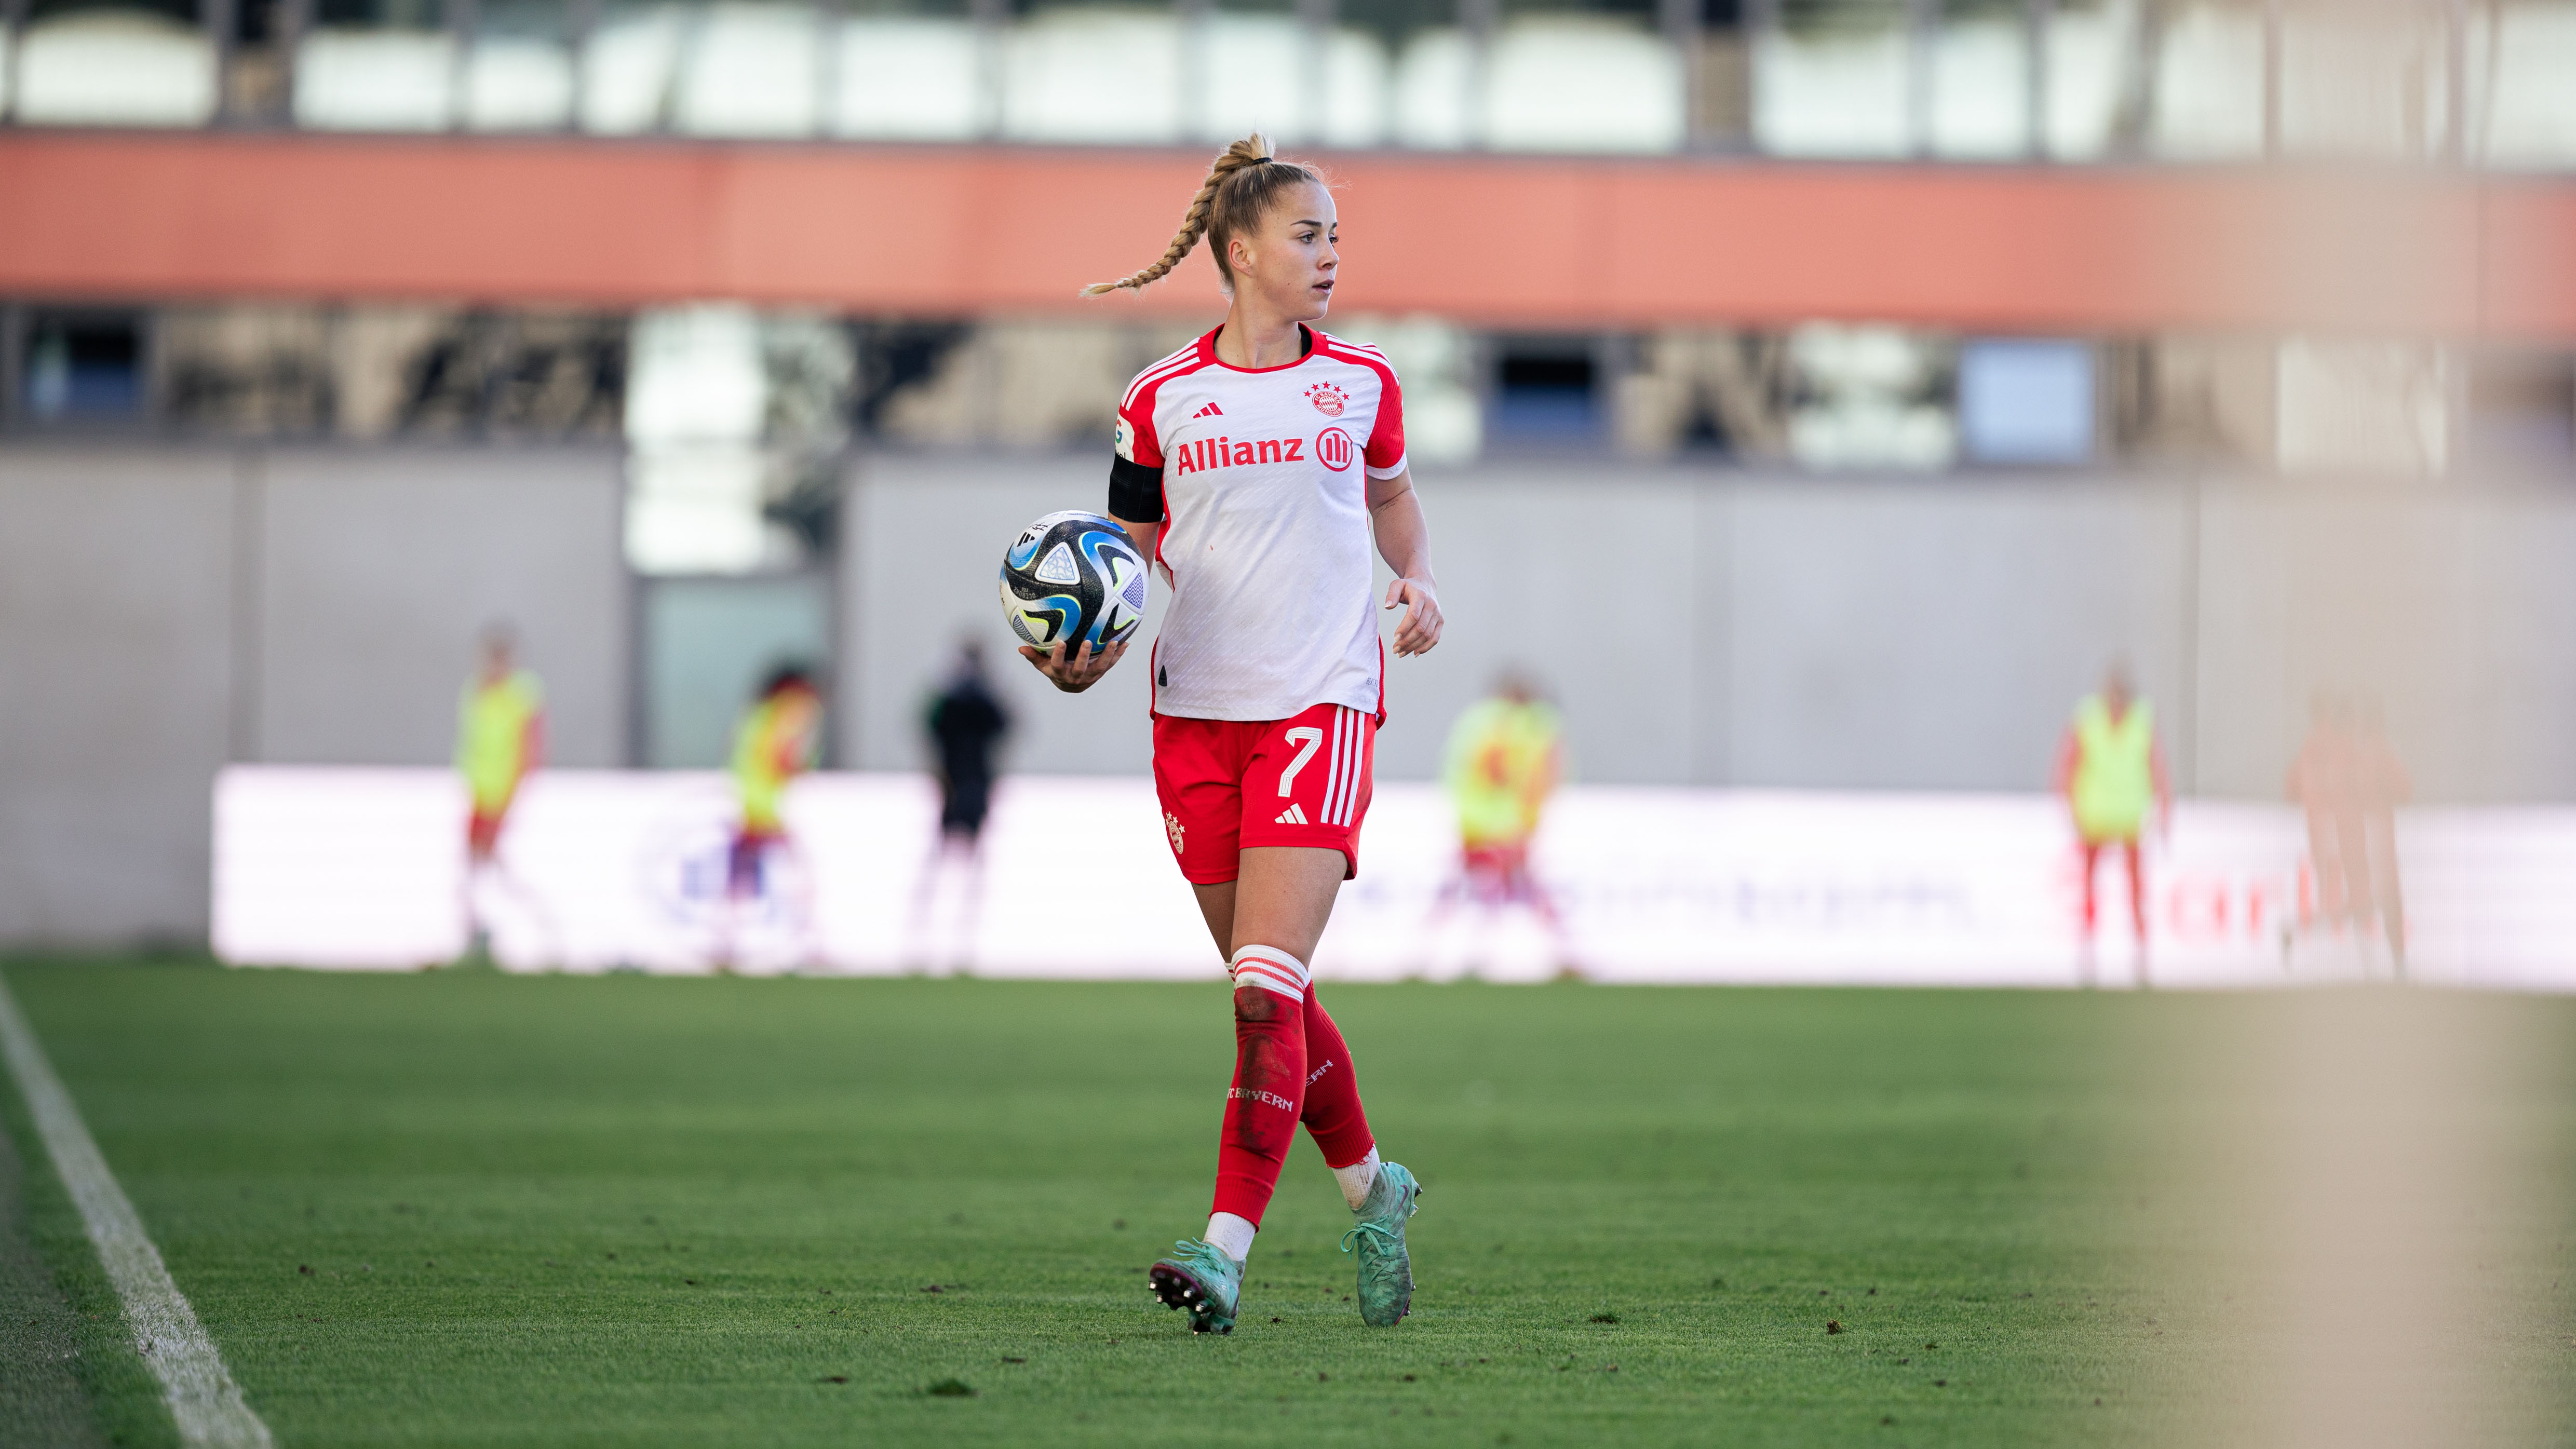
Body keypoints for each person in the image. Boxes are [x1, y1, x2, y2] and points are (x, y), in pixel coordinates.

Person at [1030, 134, 1444, 1335]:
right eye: (1307, 235)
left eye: (1333, 237)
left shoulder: (1360, 381)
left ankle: (1221, 1251)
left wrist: (1417, 580)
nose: (1327, 255)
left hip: (1320, 699)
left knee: (1264, 991)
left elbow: (1391, 500)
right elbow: (1118, 558)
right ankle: (1373, 1186)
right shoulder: (1156, 399)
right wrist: (1078, 656)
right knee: (1276, 994)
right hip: (1192, 715)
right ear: (1240, 251)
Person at [1430, 672, 1575, 972]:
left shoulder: (1475, 722)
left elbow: (1456, 769)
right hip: (1504, 823)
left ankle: (1433, 953)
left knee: (1467, 888)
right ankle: (1559, 954)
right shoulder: (1526, 725)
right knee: (1508, 889)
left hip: (1473, 821)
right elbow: (1537, 773)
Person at [2053, 661, 2170, 985]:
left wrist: (2164, 808)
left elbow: (2156, 766)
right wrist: (2067, 804)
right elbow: (2069, 761)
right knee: (2090, 887)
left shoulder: (2141, 722)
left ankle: (2141, 958)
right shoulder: (2088, 719)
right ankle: (2088, 955)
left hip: (2130, 817)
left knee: (2135, 890)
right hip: (2095, 816)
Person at [907, 642, 1012, 969]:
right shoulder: (965, 696)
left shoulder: (962, 696)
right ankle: (926, 933)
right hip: (963, 782)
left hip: (966, 782)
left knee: (959, 858)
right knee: (950, 858)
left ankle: (960, 936)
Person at [722, 664, 823, 966]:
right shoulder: (778, 717)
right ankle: (809, 943)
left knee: (741, 878)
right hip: (763, 810)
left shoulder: (756, 716)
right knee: (795, 873)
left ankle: (727, 943)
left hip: (751, 805)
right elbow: (780, 759)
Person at [454, 624, 545, 957]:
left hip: (502, 795)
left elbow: (529, 747)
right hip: (479, 793)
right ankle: (476, 931)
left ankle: (537, 923)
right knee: (474, 865)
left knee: (496, 864)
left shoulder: (521, 696)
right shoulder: (476, 692)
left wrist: (513, 794)